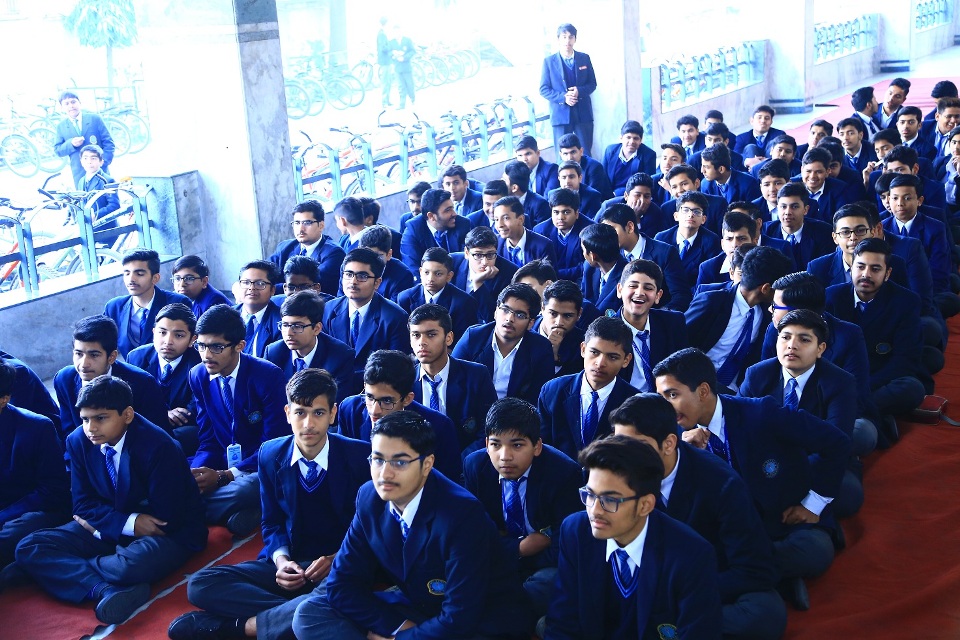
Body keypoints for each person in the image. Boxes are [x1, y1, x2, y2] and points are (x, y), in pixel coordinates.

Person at [291, 411, 532, 640]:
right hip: (417, 607)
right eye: (378, 459)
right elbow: (341, 585)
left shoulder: (463, 515)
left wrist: (401, 638)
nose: (385, 474)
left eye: (399, 462)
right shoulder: (369, 497)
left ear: (427, 464)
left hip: (478, 623)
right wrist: (398, 627)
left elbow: (459, 619)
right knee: (310, 613)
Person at [168, 369, 370, 640]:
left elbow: (369, 529)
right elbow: (272, 521)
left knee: (342, 588)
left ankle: (238, 628)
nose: (308, 423)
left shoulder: (359, 455)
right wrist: (282, 560)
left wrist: (336, 558)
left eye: (319, 413)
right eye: (300, 412)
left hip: (337, 564)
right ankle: (307, 616)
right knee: (200, 585)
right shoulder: (270, 452)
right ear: (287, 413)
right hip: (290, 563)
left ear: (333, 414)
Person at [653, 348, 851, 611]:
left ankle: (753, 577)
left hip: (780, 523)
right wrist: (686, 455)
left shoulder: (761, 413)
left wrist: (812, 505)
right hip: (729, 535)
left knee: (814, 551)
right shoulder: (674, 439)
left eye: (672, 395)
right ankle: (768, 579)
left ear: (702, 391)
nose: (665, 407)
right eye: (660, 397)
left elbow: (836, 442)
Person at [15, 376, 207, 625]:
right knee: (29, 546)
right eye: (85, 419)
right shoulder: (78, 440)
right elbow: (82, 504)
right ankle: (104, 589)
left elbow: (166, 520)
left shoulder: (160, 446)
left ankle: (64, 568)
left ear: (127, 415)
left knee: (130, 566)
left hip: (170, 533)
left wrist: (100, 527)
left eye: (101, 418)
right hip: (114, 523)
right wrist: (119, 526)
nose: (91, 428)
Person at [610, 394, 786, 640]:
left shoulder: (721, 484)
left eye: (637, 446)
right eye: (619, 444)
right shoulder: (608, 475)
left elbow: (753, 569)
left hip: (703, 582)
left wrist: (677, 593)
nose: (624, 456)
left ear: (669, 444)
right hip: (637, 582)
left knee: (765, 613)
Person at [544, 435, 722, 639]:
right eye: (590, 495)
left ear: (645, 505)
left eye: (610, 499)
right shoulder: (576, 531)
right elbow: (562, 622)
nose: (595, 510)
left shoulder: (691, 556)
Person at [464, 398, 582, 618]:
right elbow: (473, 532)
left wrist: (514, 556)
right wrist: (519, 549)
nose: (505, 456)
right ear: (486, 443)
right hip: (501, 556)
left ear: (537, 446)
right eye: (496, 445)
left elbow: (564, 545)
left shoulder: (564, 474)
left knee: (549, 582)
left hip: (543, 563)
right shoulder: (475, 466)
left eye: (517, 445)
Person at [742, 309, 865, 519]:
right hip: (766, 461)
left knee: (848, 495)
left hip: (814, 461)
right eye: (785, 337)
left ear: (820, 349)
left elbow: (835, 441)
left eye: (804, 339)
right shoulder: (757, 374)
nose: (792, 345)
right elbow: (740, 427)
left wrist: (809, 501)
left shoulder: (840, 383)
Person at [189, 304, 288, 536]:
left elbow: (273, 445)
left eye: (216, 347)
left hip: (263, 465)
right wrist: (195, 475)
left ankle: (187, 510)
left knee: (243, 491)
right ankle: (247, 512)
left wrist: (225, 476)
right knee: (180, 476)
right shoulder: (198, 375)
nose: (206, 355)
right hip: (224, 462)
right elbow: (208, 439)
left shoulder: (268, 376)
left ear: (240, 346)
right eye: (201, 345)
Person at [824, 238, 928, 435]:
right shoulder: (831, 297)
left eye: (875, 269)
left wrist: (861, 388)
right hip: (841, 377)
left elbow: (904, 361)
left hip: (879, 378)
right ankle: (874, 416)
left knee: (912, 388)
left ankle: (849, 411)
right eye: (860, 266)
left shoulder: (906, 302)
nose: (866, 274)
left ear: (887, 273)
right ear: (851, 268)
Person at [335, 349, 462, 482]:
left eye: (387, 401)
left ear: (407, 399)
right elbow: (342, 467)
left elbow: (447, 484)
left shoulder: (439, 427)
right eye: (370, 397)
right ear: (365, 386)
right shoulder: (349, 410)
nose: (375, 410)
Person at [686, 246, 793, 390]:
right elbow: (679, 342)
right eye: (780, 288)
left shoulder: (767, 313)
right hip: (695, 383)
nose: (782, 292)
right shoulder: (712, 303)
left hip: (735, 389)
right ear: (766, 288)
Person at [0, 361, 70, 571]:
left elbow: (52, 490)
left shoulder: (37, 428)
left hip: (28, 510)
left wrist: (3, 516)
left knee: (12, 534)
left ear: (4, 399)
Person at [54, 315, 168, 441]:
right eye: (79, 354)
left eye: (94, 355)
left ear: (112, 357)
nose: (84, 364)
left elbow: (158, 437)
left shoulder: (142, 384)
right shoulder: (64, 379)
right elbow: (68, 433)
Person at [539, 317, 639, 460]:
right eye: (594, 352)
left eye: (612, 357)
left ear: (626, 360)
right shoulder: (553, 391)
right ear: (583, 349)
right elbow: (542, 447)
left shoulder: (634, 403)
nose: (600, 363)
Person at [408, 304, 497, 455]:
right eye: (416, 335)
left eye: (431, 334)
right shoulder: (405, 379)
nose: (422, 342)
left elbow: (489, 428)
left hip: (463, 461)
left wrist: (461, 462)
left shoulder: (476, 375)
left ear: (448, 338)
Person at [452, 283, 555, 405]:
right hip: (472, 410)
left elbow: (538, 397)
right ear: (496, 312)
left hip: (515, 413)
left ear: (531, 323)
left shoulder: (541, 348)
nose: (510, 319)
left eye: (520, 315)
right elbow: (453, 380)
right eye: (505, 310)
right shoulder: (473, 337)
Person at [322, 248, 411, 389]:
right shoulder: (328, 310)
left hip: (376, 390)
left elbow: (397, 368)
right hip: (332, 388)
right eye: (348, 274)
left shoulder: (395, 317)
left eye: (362, 276)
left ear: (377, 282)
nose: (353, 281)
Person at [127, 303, 203, 455]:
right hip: (145, 424)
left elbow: (194, 410)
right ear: (153, 332)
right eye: (162, 333)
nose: (168, 341)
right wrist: (163, 414)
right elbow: (130, 401)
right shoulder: (136, 357)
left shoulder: (200, 363)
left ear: (192, 340)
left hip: (180, 430)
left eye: (179, 335)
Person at [596, 203, 691, 311]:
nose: (607, 237)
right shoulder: (611, 256)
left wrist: (656, 316)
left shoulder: (664, 253)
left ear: (630, 227)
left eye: (612, 231)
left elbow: (681, 296)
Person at [264, 291, 354, 402]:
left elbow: (335, 403)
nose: (289, 333)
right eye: (285, 325)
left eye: (297, 326)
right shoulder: (273, 353)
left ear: (317, 328)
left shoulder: (341, 357)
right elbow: (268, 398)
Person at [614, 260, 689, 392]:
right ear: (620, 290)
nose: (639, 293)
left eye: (648, 288)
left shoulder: (673, 323)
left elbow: (682, 370)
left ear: (658, 296)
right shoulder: (606, 331)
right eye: (633, 286)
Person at [103, 248, 192, 358]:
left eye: (139, 274)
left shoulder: (178, 303)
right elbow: (104, 344)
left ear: (155, 278)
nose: (131, 279)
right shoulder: (114, 307)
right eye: (127, 273)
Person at [396, 247, 478, 345]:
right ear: (420, 272)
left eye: (438, 274)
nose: (430, 279)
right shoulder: (405, 298)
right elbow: (402, 337)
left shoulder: (464, 302)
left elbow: (464, 343)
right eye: (426, 272)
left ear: (449, 276)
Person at [540, 23, 597, 155]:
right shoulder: (549, 61)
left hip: (583, 113)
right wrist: (563, 97)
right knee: (562, 155)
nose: (567, 41)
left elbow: (592, 84)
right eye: (564, 37)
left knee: (585, 152)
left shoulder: (584, 58)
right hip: (560, 114)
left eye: (571, 37)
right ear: (558, 39)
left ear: (575, 39)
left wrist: (579, 91)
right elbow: (543, 89)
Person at [268, 200, 345, 296]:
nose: (301, 229)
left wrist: (269, 287)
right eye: (297, 223)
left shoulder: (334, 253)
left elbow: (307, 286)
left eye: (307, 223)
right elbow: (264, 275)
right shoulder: (285, 247)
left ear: (321, 226)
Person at [654, 191, 722, 291]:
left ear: (703, 219)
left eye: (697, 212)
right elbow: (655, 273)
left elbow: (708, 278)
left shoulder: (711, 241)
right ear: (676, 216)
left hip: (695, 294)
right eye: (685, 210)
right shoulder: (661, 238)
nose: (691, 215)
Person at [450, 226, 519, 322]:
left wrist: (478, 284)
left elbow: (493, 318)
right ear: (466, 253)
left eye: (490, 255)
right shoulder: (451, 263)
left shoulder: (510, 273)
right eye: (478, 255)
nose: (485, 262)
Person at [400, 188, 471, 275]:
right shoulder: (413, 231)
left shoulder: (463, 224)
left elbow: (466, 263)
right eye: (448, 210)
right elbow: (413, 269)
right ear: (431, 216)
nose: (454, 214)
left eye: (452, 208)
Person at [766, 182, 835, 267]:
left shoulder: (823, 232)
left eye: (794, 207)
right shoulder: (766, 232)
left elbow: (824, 268)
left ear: (805, 210)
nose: (787, 212)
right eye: (783, 207)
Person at [53, 91, 115, 185]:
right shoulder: (61, 127)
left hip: (100, 170)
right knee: (84, 193)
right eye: (66, 104)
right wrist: (71, 144)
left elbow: (108, 142)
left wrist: (104, 161)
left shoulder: (94, 119)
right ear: (62, 107)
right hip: (79, 172)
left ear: (79, 103)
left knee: (104, 191)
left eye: (73, 102)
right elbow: (58, 150)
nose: (71, 106)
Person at [535, 187, 595, 282]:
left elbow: (588, 265)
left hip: (579, 281)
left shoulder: (590, 230)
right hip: (550, 282)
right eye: (556, 212)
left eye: (566, 212)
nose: (560, 217)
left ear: (576, 213)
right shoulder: (540, 231)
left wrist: (556, 274)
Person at [534, 280, 587, 377]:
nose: (559, 322)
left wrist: (554, 357)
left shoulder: (582, 345)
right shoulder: (525, 329)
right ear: (542, 309)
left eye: (567, 316)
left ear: (579, 314)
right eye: (553, 314)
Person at [234, 260, 283, 359]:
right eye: (246, 282)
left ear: (272, 290)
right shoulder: (224, 316)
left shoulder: (281, 323)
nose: (252, 288)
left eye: (260, 283)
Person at [598, 172, 674, 236]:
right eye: (637, 195)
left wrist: (636, 218)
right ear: (626, 196)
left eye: (646, 196)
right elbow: (595, 229)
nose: (642, 200)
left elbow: (645, 242)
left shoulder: (655, 213)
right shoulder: (609, 206)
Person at [661, 164, 728, 235]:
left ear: (696, 183)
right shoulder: (667, 209)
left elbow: (723, 235)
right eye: (674, 187)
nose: (679, 190)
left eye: (684, 184)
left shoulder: (718, 204)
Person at [494, 196, 557, 267]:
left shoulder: (543, 246)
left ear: (521, 219)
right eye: (496, 219)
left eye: (506, 218)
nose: (500, 225)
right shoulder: (495, 244)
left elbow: (549, 274)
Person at [579, 221, 627, 314]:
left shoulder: (627, 276)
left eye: (583, 250)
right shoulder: (589, 267)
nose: (583, 254)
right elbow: (584, 297)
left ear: (593, 256)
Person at [357, 224, 414, 301]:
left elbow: (395, 308)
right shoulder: (351, 268)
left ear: (389, 254)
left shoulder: (403, 277)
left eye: (377, 256)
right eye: (367, 254)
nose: (371, 260)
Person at [602, 120, 657, 196]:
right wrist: (609, 195)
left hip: (634, 196)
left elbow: (646, 183)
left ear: (640, 140)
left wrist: (618, 193)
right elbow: (603, 177)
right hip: (609, 195)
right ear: (621, 138)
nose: (631, 142)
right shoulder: (610, 151)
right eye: (628, 137)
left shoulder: (648, 155)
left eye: (636, 138)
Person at [557, 132, 614, 198]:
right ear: (560, 155)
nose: (569, 158)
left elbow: (593, 196)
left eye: (573, 152)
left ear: (581, 151)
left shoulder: (594, 167)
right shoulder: (559, 167)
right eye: (565, 154)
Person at [502, 159, 551, 228]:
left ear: (514, 188)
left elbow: (541, 231)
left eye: (504, 180)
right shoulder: (501, 200)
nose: (501, 182)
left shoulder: (540, 205)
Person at [76, 144, 120, 218]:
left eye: (93, 158)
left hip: (104, 223)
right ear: (81, 161)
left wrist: (96, 215)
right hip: (87, 223)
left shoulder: (108, 180)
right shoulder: (81, 181)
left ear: (101, 162)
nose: (89, 162)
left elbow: (115, 205)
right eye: (85, 158)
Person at [390, 24, 416, 109]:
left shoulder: (407, 40)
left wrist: (404, 57)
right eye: (395, 32)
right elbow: (389, 53)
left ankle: (412, 99)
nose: (396, 33)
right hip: (397, 68)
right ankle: (402, 104)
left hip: (406, 67)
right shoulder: (391, 42)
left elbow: (412, 51)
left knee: (410, 85)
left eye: (398, 31)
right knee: (401, 87)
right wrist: (393, 55)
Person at [376, 17, 394, 107]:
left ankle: (387, 100)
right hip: (385, 61)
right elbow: (383, 48)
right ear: (386, 24)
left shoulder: (383, 33)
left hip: (387, 61)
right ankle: (384, 102)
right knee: (385, 81)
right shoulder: (382, 34)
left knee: (389, 81)